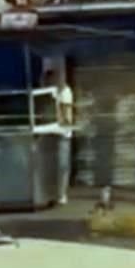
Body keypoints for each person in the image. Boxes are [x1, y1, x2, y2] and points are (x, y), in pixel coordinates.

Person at [44, 70, 74, 205]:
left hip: (63, 133)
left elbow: (66, 111)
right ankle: (53, 193)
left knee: (62, 165)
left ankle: (62, 194)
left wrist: (65, 121)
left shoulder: (65, 92)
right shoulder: (52, 92)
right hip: (52, 132)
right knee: (53, 165)